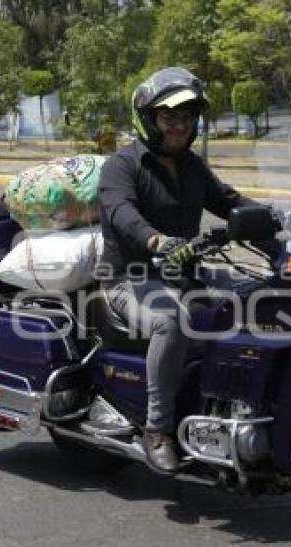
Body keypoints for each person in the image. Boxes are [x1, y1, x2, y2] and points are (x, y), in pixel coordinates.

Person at [97, 67, 259, 474]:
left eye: (187, 118)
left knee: (260, 296)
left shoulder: (191, 166)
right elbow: (122, 213)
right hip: (128, 279)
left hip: (182, 275)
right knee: (171, 321)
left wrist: (278, 221)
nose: (180, 126)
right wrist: (157, 240)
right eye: (170, 117)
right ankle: (159, 430)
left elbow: (229, 201)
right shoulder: (122, 165)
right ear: (149, 119)